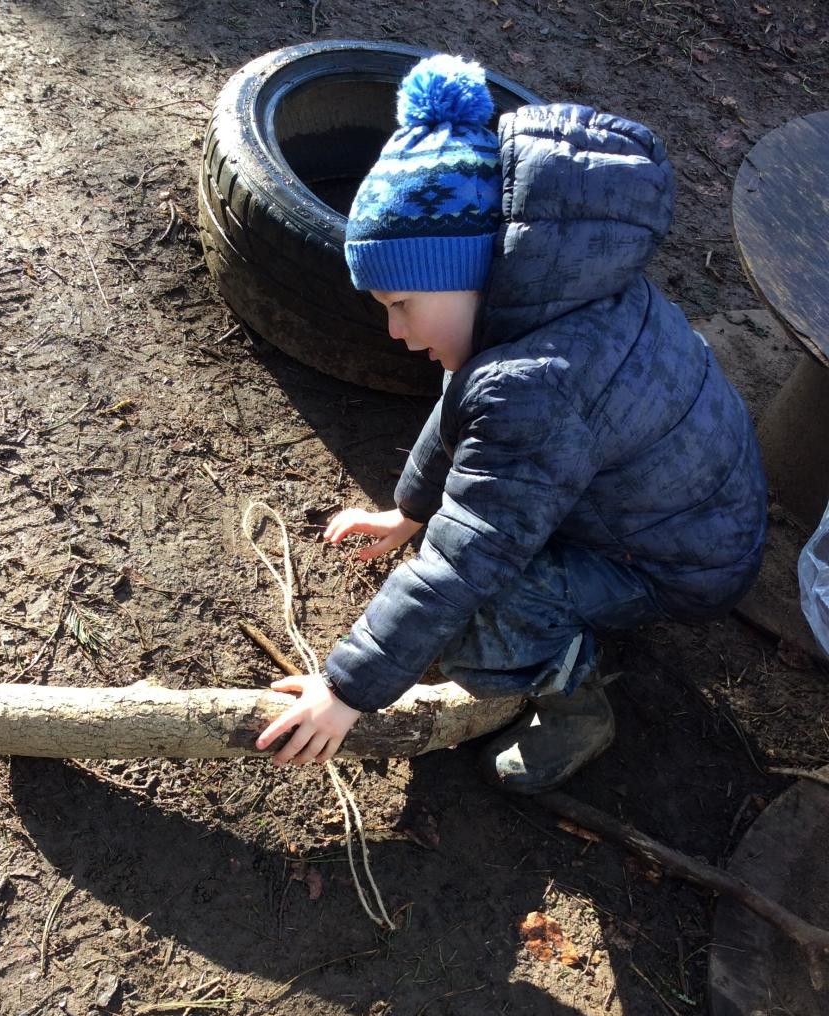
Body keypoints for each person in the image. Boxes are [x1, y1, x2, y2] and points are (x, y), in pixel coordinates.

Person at [255, 54, 767, 792]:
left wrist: (346, 691)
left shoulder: (537, 386)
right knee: (488, 529)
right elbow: (459, 406)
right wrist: (407, 510)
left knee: (491, 621)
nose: (396, 332)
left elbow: (467, 561)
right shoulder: (548, 295)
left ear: (466, 273)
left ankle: (574, 701)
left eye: (402, 305)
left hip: (675, 564)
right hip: (688, 512)